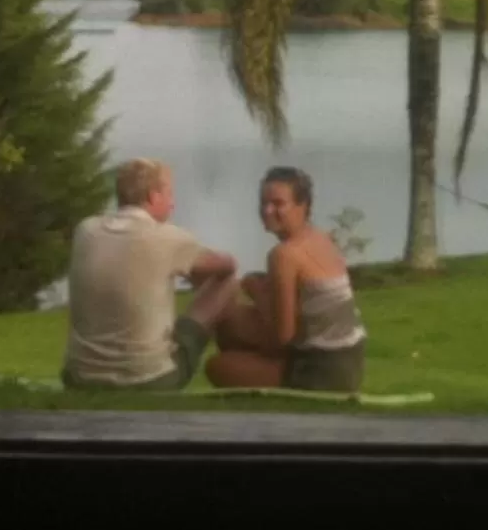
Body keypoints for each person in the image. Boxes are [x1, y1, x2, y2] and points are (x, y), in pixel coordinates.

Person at [62, 158, 239, 392]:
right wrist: (196, 276)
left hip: (79, 377)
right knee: (229, 284)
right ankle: (240, 363)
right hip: (150, 378)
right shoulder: (167, 237)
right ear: (154, 196)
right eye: (169, 194)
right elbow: (227, 265)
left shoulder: (85, 230)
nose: (173, 203)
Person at [206, 167, 367, 393]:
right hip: (350, 361)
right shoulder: (321, 237)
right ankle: (255, 368)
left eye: (278, 203)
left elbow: (283, 335)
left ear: (303, 205)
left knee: (217, 367)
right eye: (263, 203)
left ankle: (266, 377)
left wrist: (256, 291)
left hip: (321, 370)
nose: (267, 210)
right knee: (230, 323)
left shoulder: (284, 255)